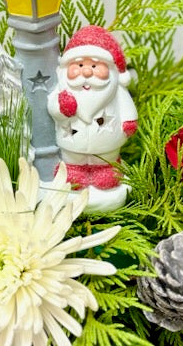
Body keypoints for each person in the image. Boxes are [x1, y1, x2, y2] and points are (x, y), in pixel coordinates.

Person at [47, 25, 137, 211]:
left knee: (106, 160)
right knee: (72, 160)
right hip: (71, 144)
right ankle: (74, 170)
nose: (87, 72)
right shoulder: (63, 90)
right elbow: (53, 108)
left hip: (107, 144)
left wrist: (129, 121)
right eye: (79, 66)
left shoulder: (116, 90)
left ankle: (106, 169)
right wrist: (61, 107)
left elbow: (126, 106)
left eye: (95, 66)